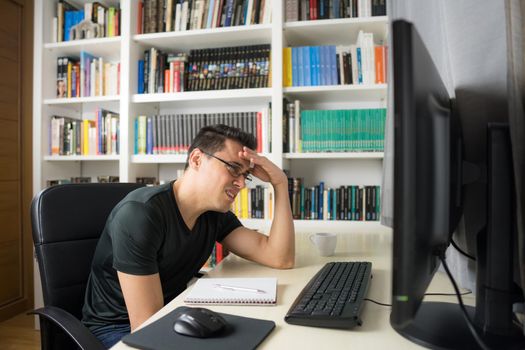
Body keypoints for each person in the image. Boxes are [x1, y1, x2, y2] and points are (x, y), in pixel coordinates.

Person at [81, 124, 295, 348]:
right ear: (196, 159)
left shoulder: (214, 213)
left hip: (172, 314)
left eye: (245, 176)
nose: (241, 184)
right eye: (233, 168)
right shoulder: (141, 214)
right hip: (117, 330)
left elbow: (280, 257)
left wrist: (280, 183)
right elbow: (146, 327)